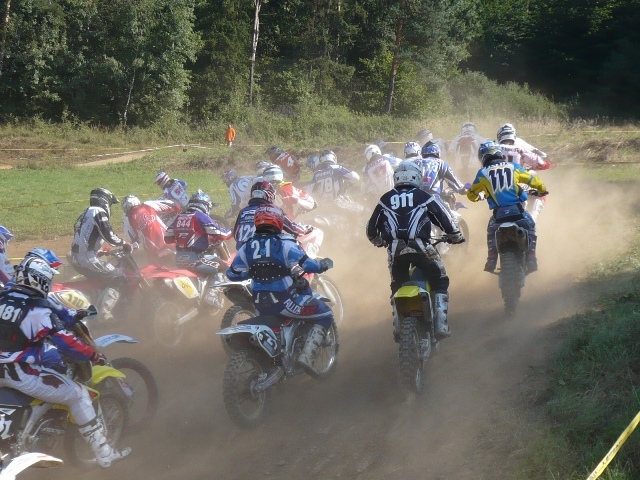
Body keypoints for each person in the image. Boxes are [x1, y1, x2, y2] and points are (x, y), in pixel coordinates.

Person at [0, 255, 131, 468]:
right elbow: (66, 341)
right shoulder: (36, 310)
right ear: (39, 280)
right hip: (18, 372)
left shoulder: (4, 297)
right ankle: (105, 454)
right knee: (78, 395)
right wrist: (92, 354)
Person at [226, 203, 334, 374]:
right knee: (325, 313)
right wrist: (322, 265)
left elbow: (232, 274)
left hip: (260, 303)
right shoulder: (285, 243)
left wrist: (253, 273)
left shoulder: (247, 246)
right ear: (278, 221)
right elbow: (308, 265)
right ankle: (306, 356)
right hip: (285, 302)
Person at [365, 161, 465, 339]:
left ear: (396, 178)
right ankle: (441, 324)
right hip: (422, 247)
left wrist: (380, 241)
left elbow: (371, 229)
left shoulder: (385, 199)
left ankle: (398, 327)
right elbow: (443, 217)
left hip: (395, 251)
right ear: (417, 177)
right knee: (440, 280)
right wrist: (455, 235)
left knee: (397, 285)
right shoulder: (423, 196)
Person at [466, 141, 549, 273]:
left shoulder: (482, 173)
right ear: (499, 153)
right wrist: (542, 190)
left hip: (498, 216)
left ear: (482, 157)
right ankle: (531, 257)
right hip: (518, 212)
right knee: (531, 226)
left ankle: (491, 260)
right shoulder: (513, 166)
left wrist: (479, 196)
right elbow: (533, 180)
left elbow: (471, 195)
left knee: (491, 231)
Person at [69, 188, 133, 322]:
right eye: (110, 203)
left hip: (78, 257)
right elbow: (109, 235)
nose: (109, 207)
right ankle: (104, 315)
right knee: (119, 277)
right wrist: (124, 243)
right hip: (87, 258)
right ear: (104, 201)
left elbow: (84, 237)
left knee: (103, 278)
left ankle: (95, 305)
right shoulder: (98, 212)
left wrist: (99, 251)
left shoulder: (86, 212)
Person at [165, 190, 232, 307]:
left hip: (179, 259)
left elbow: (167, 238)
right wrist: (231, 230)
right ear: (204, 205)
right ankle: (211, 295)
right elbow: (220, 234)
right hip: (197, 258)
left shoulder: (179, 217)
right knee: (226, 269)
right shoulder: (200, 216)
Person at [233, 181, 322, 257]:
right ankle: (309, 259)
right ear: (269, 195)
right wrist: (306, 230)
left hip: (243, 254)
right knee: (316, 233)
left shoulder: (243, 212)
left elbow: (236, 234)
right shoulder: (273, 210)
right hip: (266, 254)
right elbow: (293, 228)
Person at [496, 123, 551, 222]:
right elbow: (538, 161)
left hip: (498, 183)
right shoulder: (520, 148)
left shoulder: (494, 148)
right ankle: (532, 220)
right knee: (541, 193)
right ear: (513, 135)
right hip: (517, 181)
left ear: (500, 136)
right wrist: (545, 164)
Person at [121, 195, 182, 263]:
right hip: (169, 239)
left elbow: (132, 238)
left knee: (153, 262)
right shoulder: (148, 204)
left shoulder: (127, 218)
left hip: (152, 249)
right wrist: (177, 209)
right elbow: (172, 204)